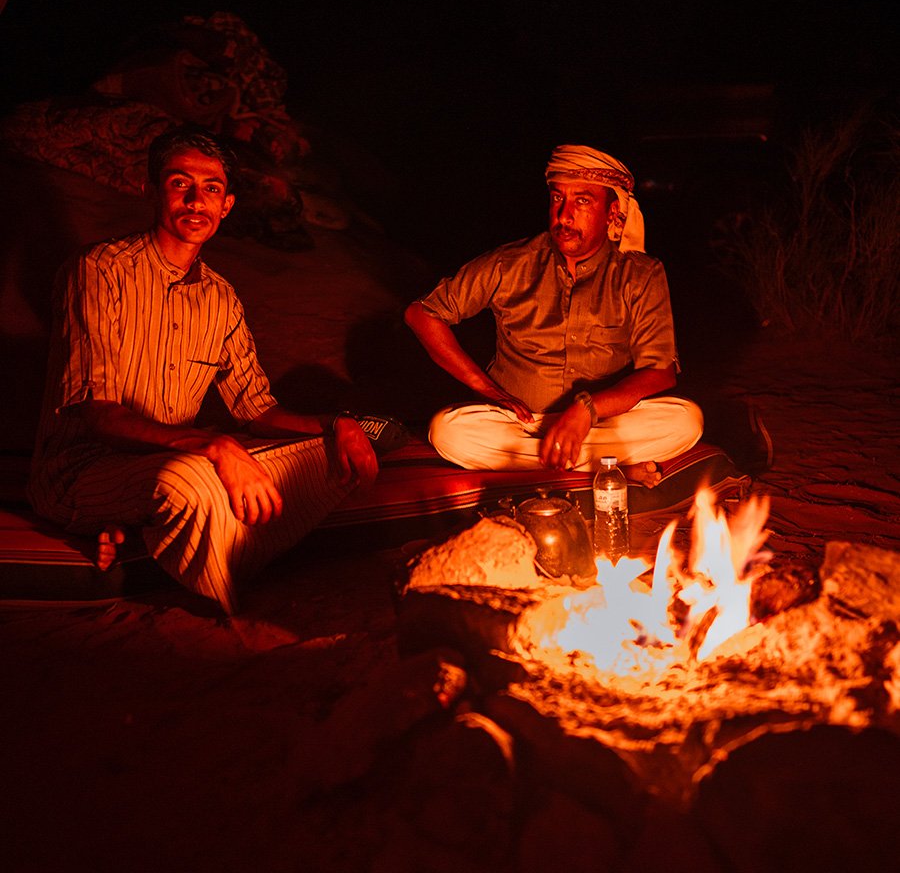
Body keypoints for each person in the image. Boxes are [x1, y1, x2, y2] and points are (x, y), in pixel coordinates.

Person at [28, 125, 378, 614]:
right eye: (180, 184)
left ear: (227, 205)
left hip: (168, 463)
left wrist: (338, 425)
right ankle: (233, 611)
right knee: (195, 480)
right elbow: (97, 414)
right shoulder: (99, 270)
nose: (196, 200)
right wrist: (214, 446)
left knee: (328, 457)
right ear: (153, 191)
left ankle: (155, 531)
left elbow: (257, 408)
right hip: (83, 470)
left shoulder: (221, 297)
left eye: (211, 188)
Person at [404, 144, 703, 485]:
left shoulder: (641, 274)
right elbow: (422, 314)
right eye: (558, 198)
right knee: (449, 431)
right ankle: (602, 467)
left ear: (612, 211)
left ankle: (550, 465)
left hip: (602, 421)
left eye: (583, 201)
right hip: (522, 425)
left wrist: (586, 410)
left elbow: (660, 373)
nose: (564, 215)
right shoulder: (510, 263)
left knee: (685, 421)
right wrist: (485, 387)